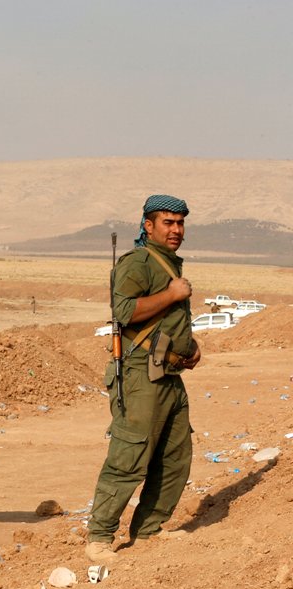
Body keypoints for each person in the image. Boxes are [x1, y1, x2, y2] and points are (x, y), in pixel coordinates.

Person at [85, 195, 201, 562]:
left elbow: (168, 321)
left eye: (180, 223)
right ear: (148, 226)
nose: (176, 229)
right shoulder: (138, 263)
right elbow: (123, 312)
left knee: (174, 456)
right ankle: (99, 538)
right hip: (140, 374)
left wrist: (190, 347)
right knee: (129, 455)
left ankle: (149, 529)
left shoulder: (169, 263)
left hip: (169, 373)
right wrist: (171, 294)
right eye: (168, 222)